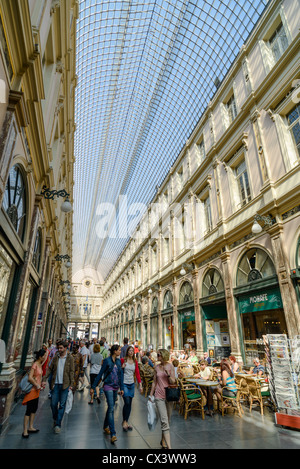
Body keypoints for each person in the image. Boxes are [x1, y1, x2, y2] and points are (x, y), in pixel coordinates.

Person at [90, 344, 124, 444]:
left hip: (115, 387)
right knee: (111, 408)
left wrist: (121, 388)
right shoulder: (107, 361)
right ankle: (113, 434)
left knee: (110, 408)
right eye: (119, 350)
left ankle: (105, 426)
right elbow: (100, 374)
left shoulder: (118, 361)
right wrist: (93, 386)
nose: (120, 352)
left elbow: (121, 376)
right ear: (114, 351)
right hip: (108, 386)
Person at [45, 340, 75, 433]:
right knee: (53, 404)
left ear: (66, 348)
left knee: (62, 405)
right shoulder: (56, 357)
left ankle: (58, 424)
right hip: (56, 384)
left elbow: (71, 371)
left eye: (61, 348)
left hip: (65, 384)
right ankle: (56, 417)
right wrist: (44, 378)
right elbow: (50, 369)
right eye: (58, 348)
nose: (59, 349)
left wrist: (71, 384)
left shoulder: (70, 358)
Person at [149, 349, 176, 450]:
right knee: (164, 421)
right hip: (159, 396)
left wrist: (168, 374)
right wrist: (150, 395)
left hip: (169, 396)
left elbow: (173, 382)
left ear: (164, 356)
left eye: (159, 355)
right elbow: (154, 382)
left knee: (167, 420)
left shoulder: (170, 366)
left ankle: (163, 440)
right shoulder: (156, 367)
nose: (157, 356)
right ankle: (170, 447)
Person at [22, 349, 47, 438]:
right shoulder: (35, 365)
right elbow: (30, 378)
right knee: (29, 410)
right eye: (44, 356)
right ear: (40, 356)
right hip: (31, 391)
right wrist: (36, 384)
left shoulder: (40, 364)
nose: (45, 357)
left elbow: (38, 376)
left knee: (34, 408)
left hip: (37, 391)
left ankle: (31, 427)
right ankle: (25, 430)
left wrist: (41, 384)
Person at [120, 345, 143, 431]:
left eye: (132, 351)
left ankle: (126, 421)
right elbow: (119, 370)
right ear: (127, 352)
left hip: (131, 384)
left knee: (130, 404)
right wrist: (121, 367)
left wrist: (140, 384)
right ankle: (124, 421)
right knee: (126, 402)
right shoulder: (123, 360)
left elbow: (137, 373)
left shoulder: (135, 361)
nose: (131, 352)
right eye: (129, 351)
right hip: (124, 383)